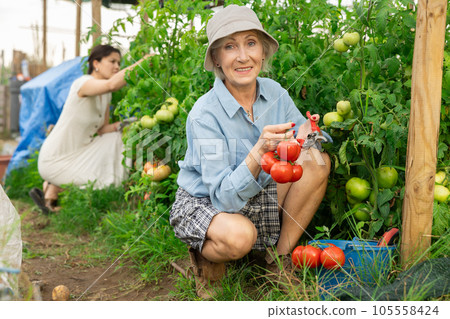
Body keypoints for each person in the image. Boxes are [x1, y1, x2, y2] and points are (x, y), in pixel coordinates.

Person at [169, 5, 331, 299]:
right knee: (240, 237)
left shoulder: (275, 92)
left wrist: (310, 133)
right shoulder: (204, 115)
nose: (243, 56)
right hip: (206, 201)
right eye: (230, 46)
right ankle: (208, 255)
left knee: (317, 161)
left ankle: (277, 260)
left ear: (263, 52)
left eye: (251, 43)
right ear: (217, 58)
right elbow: (223, 198)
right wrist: (258, 150)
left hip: (253, 192)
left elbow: (303, 130)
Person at [30, 45, 149, 214]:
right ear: (96, 63)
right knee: (104, 173)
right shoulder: (83, 83)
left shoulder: (105, 95)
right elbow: (112, 85)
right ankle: (53, 185)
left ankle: (51, 192)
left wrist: (128, 124)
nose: (117, 66)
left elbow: (102, 129)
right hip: (55, 157)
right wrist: (143, 63)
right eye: (112, 61)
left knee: (117, 138)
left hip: (79, 153)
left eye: (119, 63)